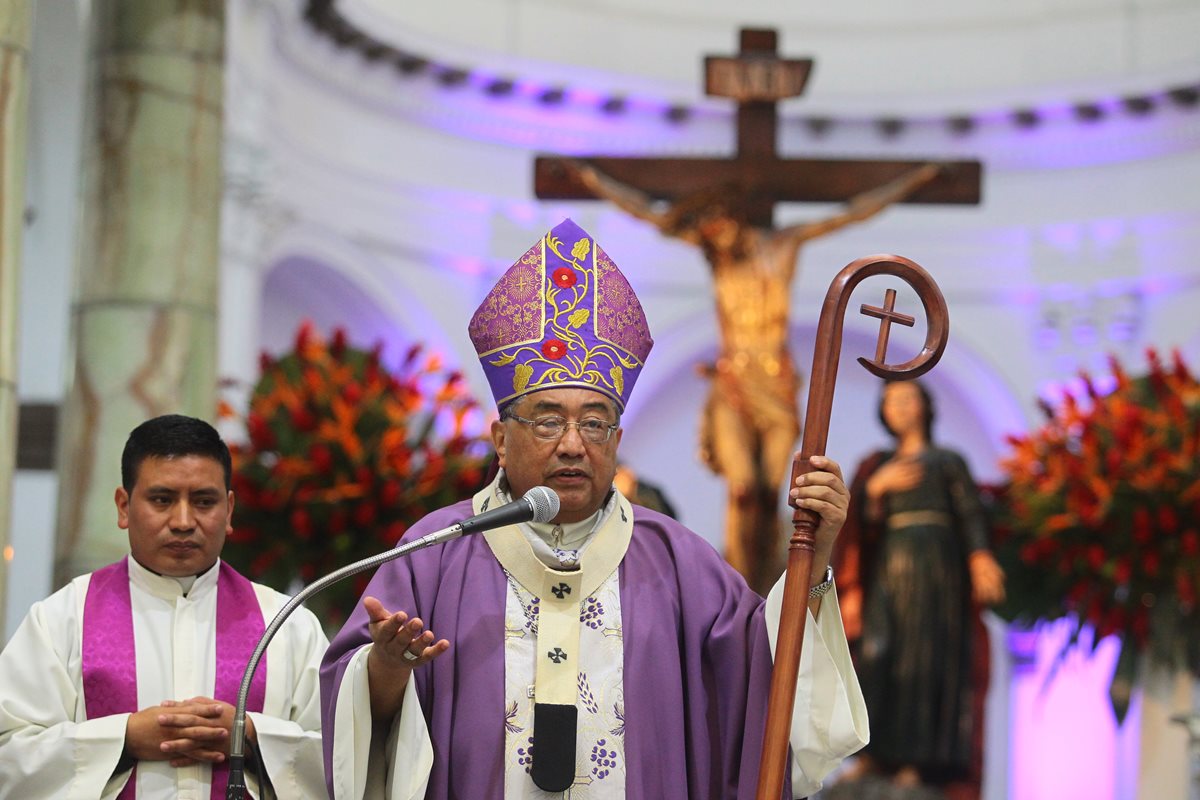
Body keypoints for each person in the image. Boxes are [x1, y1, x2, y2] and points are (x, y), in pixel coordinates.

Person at [320, 218, 868, 799]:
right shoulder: (436, 551)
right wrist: (386, 669)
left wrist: (818, 552)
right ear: (502, 440)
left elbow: (763, 691)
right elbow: (351, 717)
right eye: (549, 420)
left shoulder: (680, 563)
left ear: (617, 441)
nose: (574, 443)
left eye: (595, 423)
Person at [556, 158, 945, 591]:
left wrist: (909, 182)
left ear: (733, 215)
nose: (714, 238)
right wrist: (594, 181)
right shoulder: (718, 258)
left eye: (718, 226)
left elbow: (851, 212)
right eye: (706, 233)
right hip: (733, 384)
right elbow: (647, 211)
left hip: (777, 386)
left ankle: (769, 580)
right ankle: (738, 582)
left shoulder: (784, 245)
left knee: (770, 493)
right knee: (742, 488)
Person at [0, 414, 329, 799]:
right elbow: (11, 753)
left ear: (229, 510)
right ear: (124, 506)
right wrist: (124, 738)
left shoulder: (287, 624)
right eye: (162, 499)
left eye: (204, 501)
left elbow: (342, 760)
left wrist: (248, 735)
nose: (184, 521)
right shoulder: (62, 618)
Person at [834, 381, 1005, 793]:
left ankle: (915, 761)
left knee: (924, 666)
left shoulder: (948, 462)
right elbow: (856, 530)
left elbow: (970, 515)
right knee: (877, 657)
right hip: (890, 574)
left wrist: (980, 557)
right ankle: (872, 754)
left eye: (907, 398)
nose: (899, 407)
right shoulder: (876, 467)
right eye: (891, 400)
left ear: (925, 406)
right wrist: (875, 491)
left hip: (936, 577)